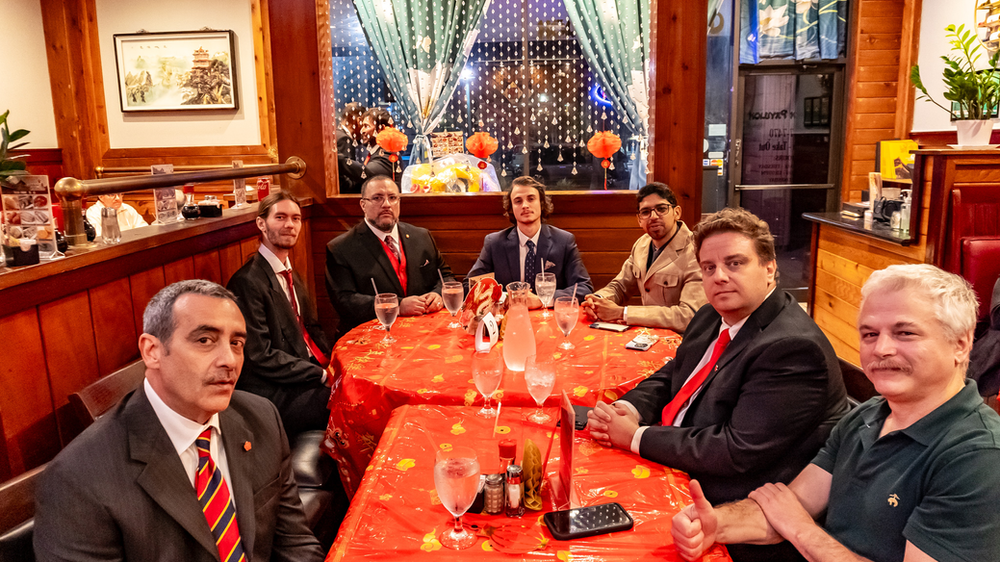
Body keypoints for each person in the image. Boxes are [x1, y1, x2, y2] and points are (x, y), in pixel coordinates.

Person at [672, 264, 1000, 562]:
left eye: (905, 333)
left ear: (960, 344)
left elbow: (793, 517)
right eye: (870, 334)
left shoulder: (980, 457)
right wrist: (717, 524)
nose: (882, 349)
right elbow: (791, 505)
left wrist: (802, 530)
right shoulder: (866, 416)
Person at [587, 207, 847, 562]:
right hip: (678, 459)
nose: (719, 276)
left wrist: (634, 437)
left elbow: (735, 450)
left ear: (770, 268)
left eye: (735, 263)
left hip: (730, 503)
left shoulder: (792, 349)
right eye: (709, 267)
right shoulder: (714, 313)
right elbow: (674, 373)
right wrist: (628, 409)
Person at [34, 280, 324, 562]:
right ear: (152, 351)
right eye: (205, 340)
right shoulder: (78, 479)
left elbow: (294, 542)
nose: (230, 360)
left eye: (236, 343)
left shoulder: (262, 417)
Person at [226, 192, 333, 439]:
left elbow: (312, 327)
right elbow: (259, 356)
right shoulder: (247, 282)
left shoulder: (289, 273)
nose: (290, 225)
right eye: (281, 217)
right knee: (347, 402)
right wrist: (320, 374)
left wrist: (330, 361)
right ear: (261, 224)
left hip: (301, 374)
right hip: (272, 392)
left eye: (296, 219)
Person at [325, 175, 454, 339]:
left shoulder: (422, 236)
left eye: (392, 198)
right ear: (363, 205)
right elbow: (345, 301)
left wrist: (438, 295)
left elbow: (446, 277)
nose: (386, 204)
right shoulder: (340, 248)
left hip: (424, 333)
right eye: (377, 198)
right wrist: (397, 306)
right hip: (371, 338)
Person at [582, 182, 706, 333]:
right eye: (646, 212)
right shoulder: (641, 245)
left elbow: (689, 316)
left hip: (682, 342)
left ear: (677, 212)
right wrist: (597, 300)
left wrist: (623, 313)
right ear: (639, 220)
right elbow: (620, 286)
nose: (653, 217)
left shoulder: (697, 251)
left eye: (661, 209)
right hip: (646, 336)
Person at [466, 176, 593, 308]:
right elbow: (469, 286)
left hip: (549, 319)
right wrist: (507, 297)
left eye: (531, 199)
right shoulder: (494, 243)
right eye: (518, 201)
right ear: (511, 208)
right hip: (508, 319)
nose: (525, 205)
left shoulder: (564, 241)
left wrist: (542, 300)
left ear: (541, 203)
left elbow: (584, 288)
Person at [336, 102, 367, 194]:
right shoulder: (344, 139)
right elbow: (347, 175)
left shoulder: (337, 134)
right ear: (359, 120)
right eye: (364, 125)